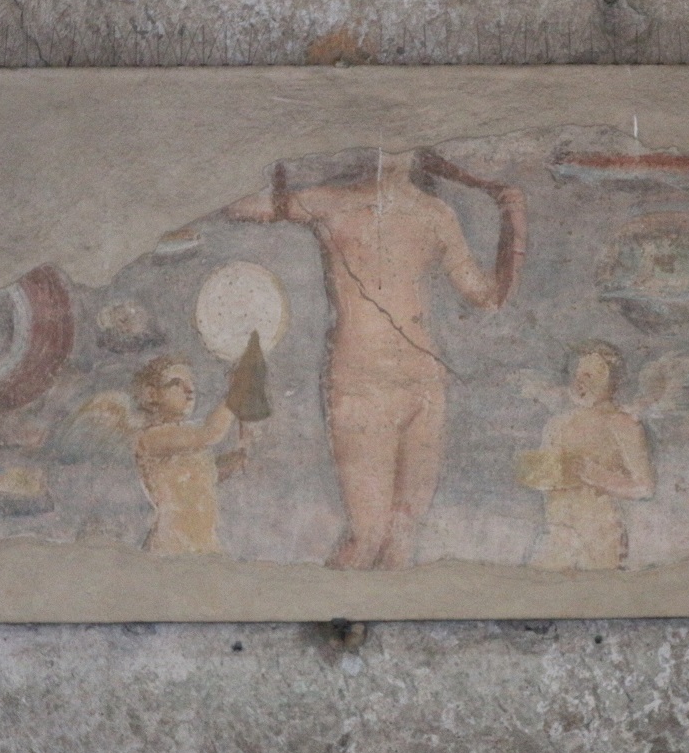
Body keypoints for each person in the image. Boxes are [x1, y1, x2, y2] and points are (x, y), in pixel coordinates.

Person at [225, 148, 526, 569]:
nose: (392, 150)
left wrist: (512, 218)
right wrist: (273, 158)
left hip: (424, 382)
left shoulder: (436, 214)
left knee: (402, 537)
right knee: (366, 537)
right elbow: (241, 208)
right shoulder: (332, 202)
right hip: (360, 382)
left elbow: (488, 297)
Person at [517, 342, 655, 570]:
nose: (580, 382)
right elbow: (543, 479)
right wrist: (538, 470)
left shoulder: (623, 424)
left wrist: (596, 476)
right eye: (579, 375)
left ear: (612, 382)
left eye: (590, 376)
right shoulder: (557, 424)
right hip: (558, 532)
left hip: (600, 536)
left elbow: (645, 487)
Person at [132, 355, 241, 554]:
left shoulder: (185, 438)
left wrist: (236, 459)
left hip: (203, 546)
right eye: (176, 384)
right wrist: (237, 391)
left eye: (191, 383)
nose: (189, 390)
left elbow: (193, 477)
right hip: (172, 547)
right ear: (152, 394)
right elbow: (210, 432)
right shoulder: (150, 438)